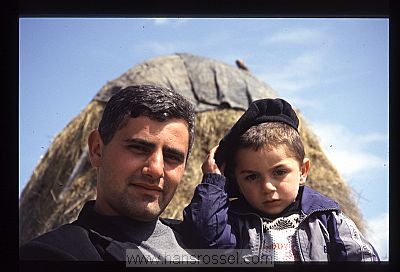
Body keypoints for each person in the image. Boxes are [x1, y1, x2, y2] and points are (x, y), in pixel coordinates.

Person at [181, 98, 380, 262]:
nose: (267, 187)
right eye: (251, 177)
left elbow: (363, 258)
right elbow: (205, 239)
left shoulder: (327, 220)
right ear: (235, 180)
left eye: (279, 172)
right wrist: (213, 182)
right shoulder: (235, 224)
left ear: (302, 171)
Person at [20, 85, 196, 261]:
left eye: (172, 157)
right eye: (139, 148)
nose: (156, 170)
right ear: (97, 149)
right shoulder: (51, 256)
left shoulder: (202, 240)